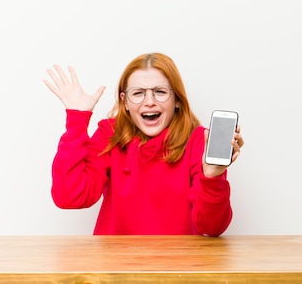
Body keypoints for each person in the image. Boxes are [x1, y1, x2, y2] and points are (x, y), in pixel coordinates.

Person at [43, 53, 243, 236]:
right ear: (125, 102)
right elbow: (69, 197)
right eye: (138, 93)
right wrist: (77, 121)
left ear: (177, 100)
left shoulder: (198, 140)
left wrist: (212, 177)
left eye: (160, 92)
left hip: (179, 269)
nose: (149, 102)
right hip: (116, 267)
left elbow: (212, 227)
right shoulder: (110, 135)